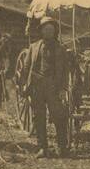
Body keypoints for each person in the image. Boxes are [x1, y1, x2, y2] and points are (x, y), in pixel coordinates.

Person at [22, 15, 71, 157]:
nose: (48, 32)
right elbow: (26, 67)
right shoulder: (34, 47)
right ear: (41, 31)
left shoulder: (60, 49)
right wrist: (24, 83)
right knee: (39, 117)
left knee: (59, 116)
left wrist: (63, 89)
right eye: (46, 29)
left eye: (51, 29)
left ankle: (61, 147)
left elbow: (65, 71)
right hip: (37, 86)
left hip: (54, 87)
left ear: (55, 32)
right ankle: (42, 147)